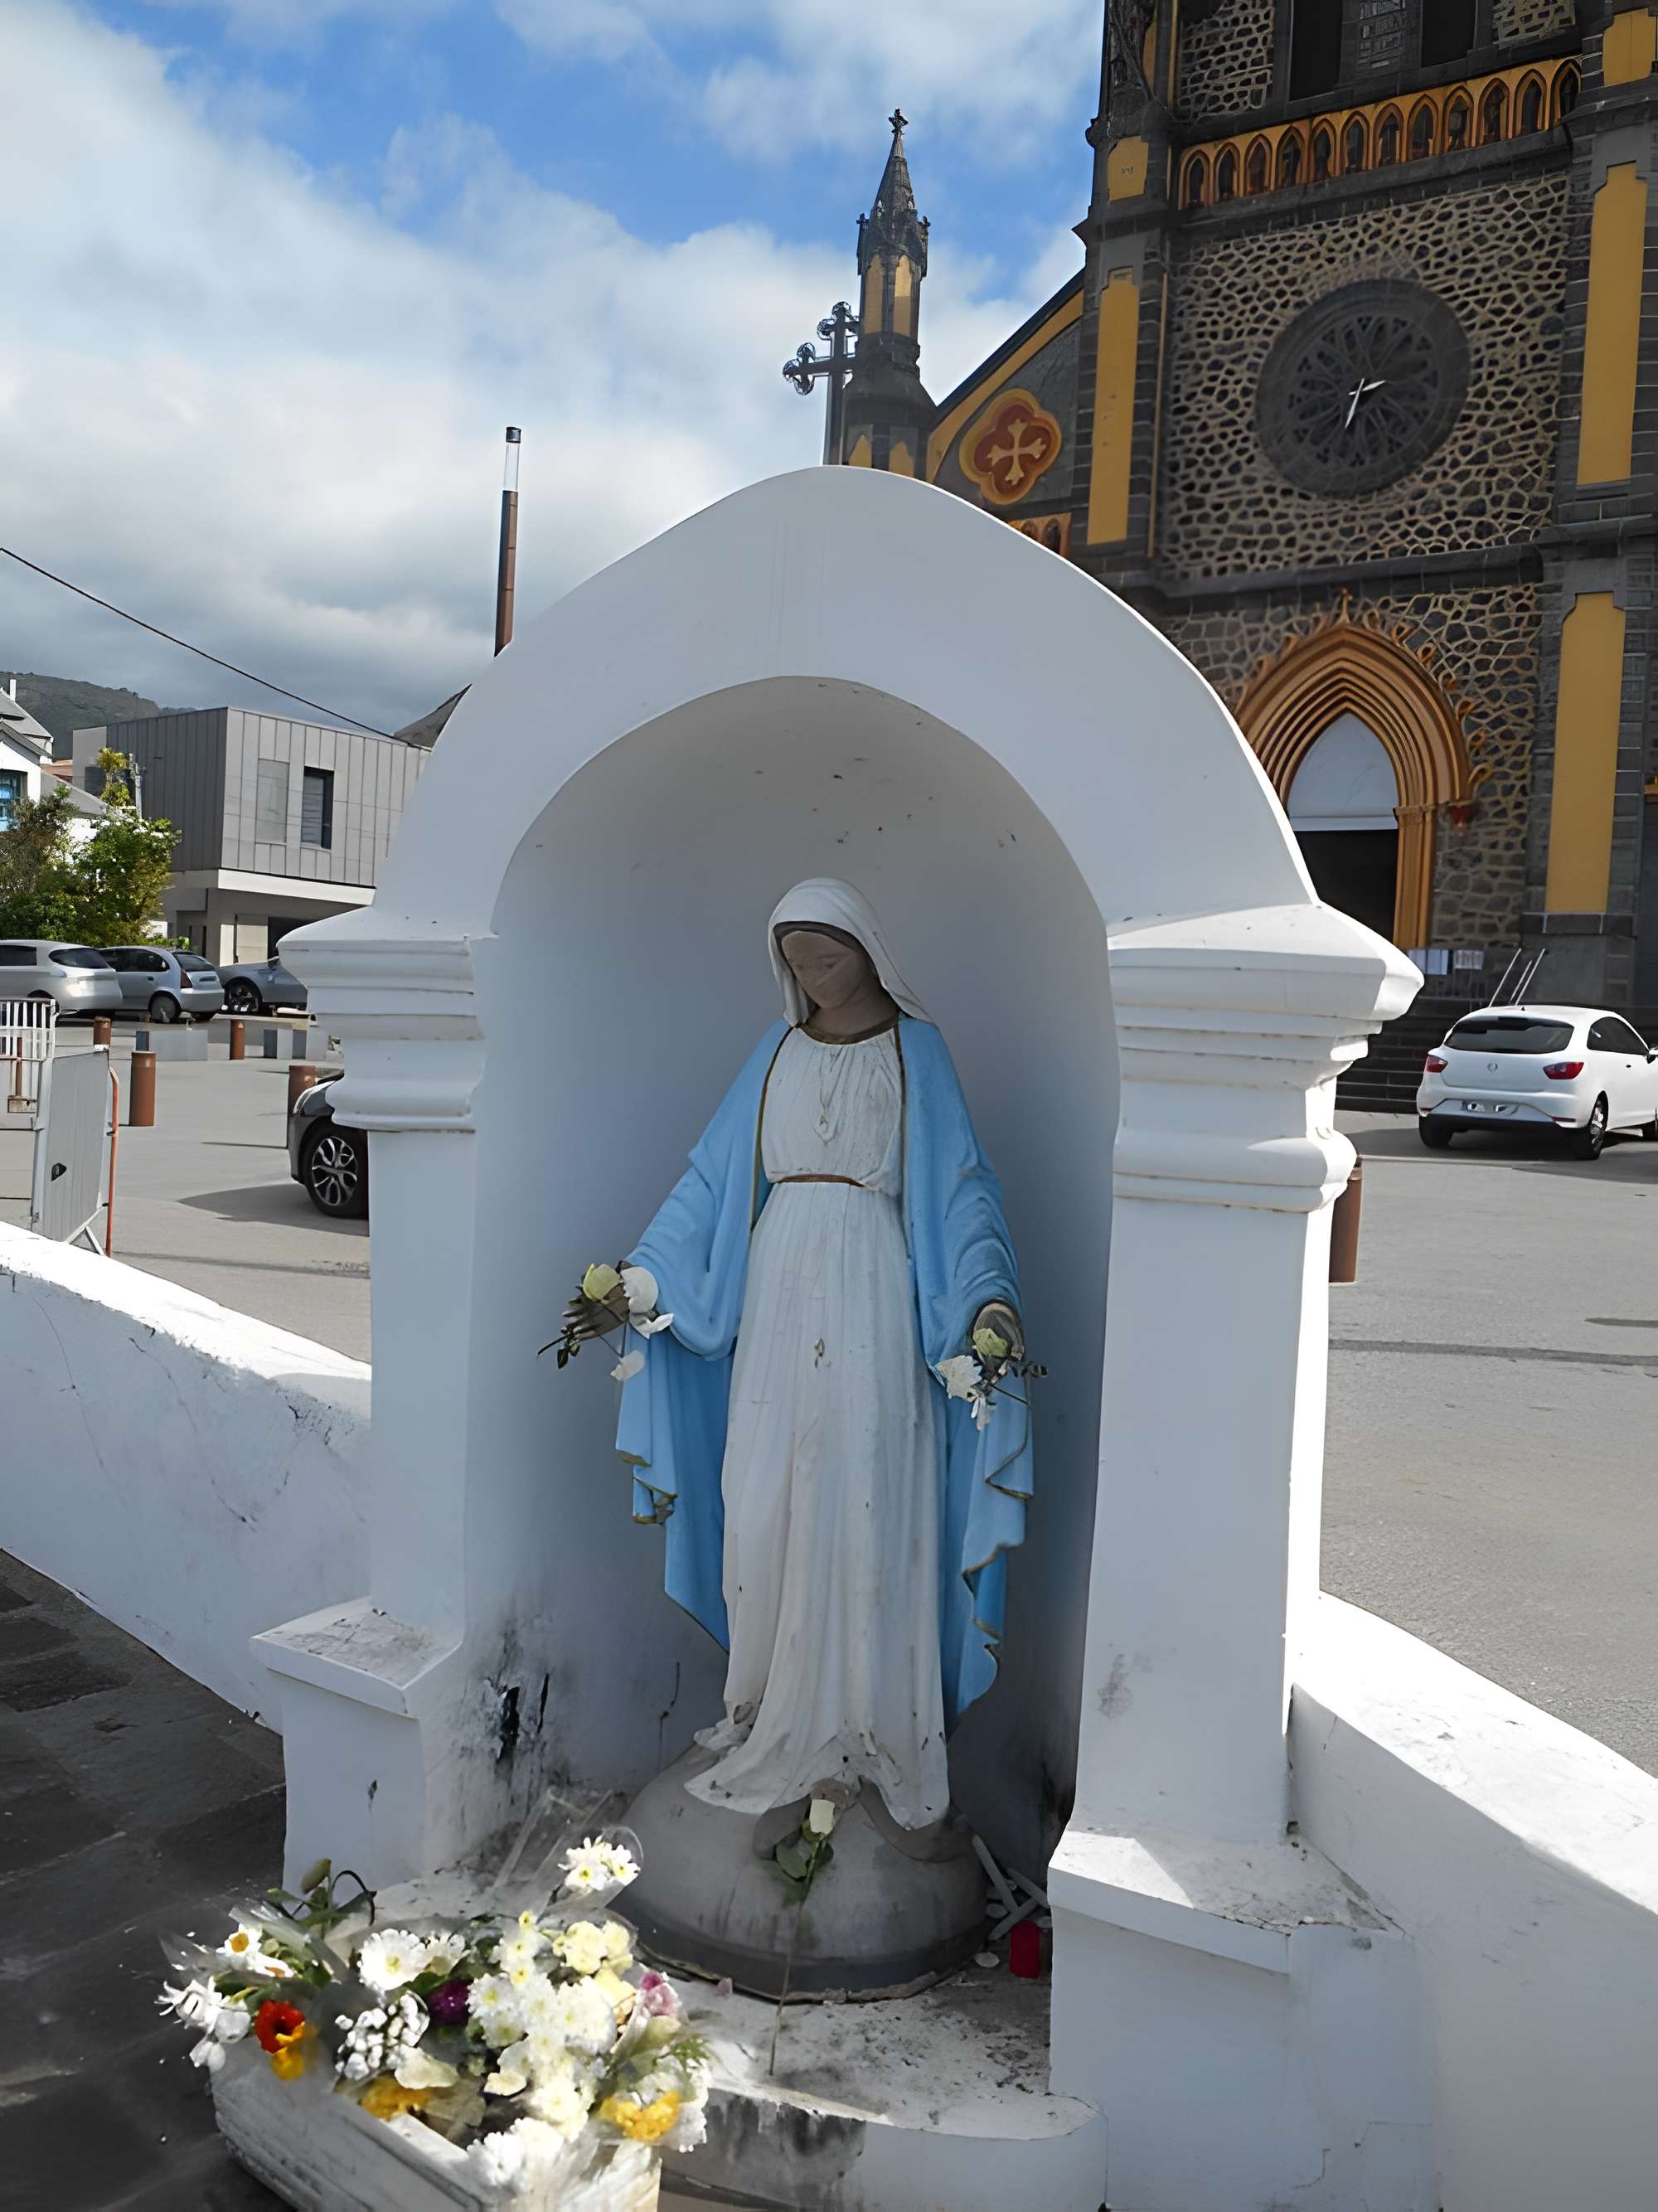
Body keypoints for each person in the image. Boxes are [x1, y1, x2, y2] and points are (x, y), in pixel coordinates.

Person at [574, 880, 1031, 1831]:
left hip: (873, 1290)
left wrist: (987, 1298)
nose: (813, 975)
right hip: (776, 1291)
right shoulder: (774, 1051)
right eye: (796, 961)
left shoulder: (918, 1052)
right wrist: (643, 1275)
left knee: (861, 1488)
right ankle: (766, 1704)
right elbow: (706, 1184)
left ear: (868, 949)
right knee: (764, 1493)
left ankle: (864, 1727)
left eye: (827, 955)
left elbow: (960, 1192)